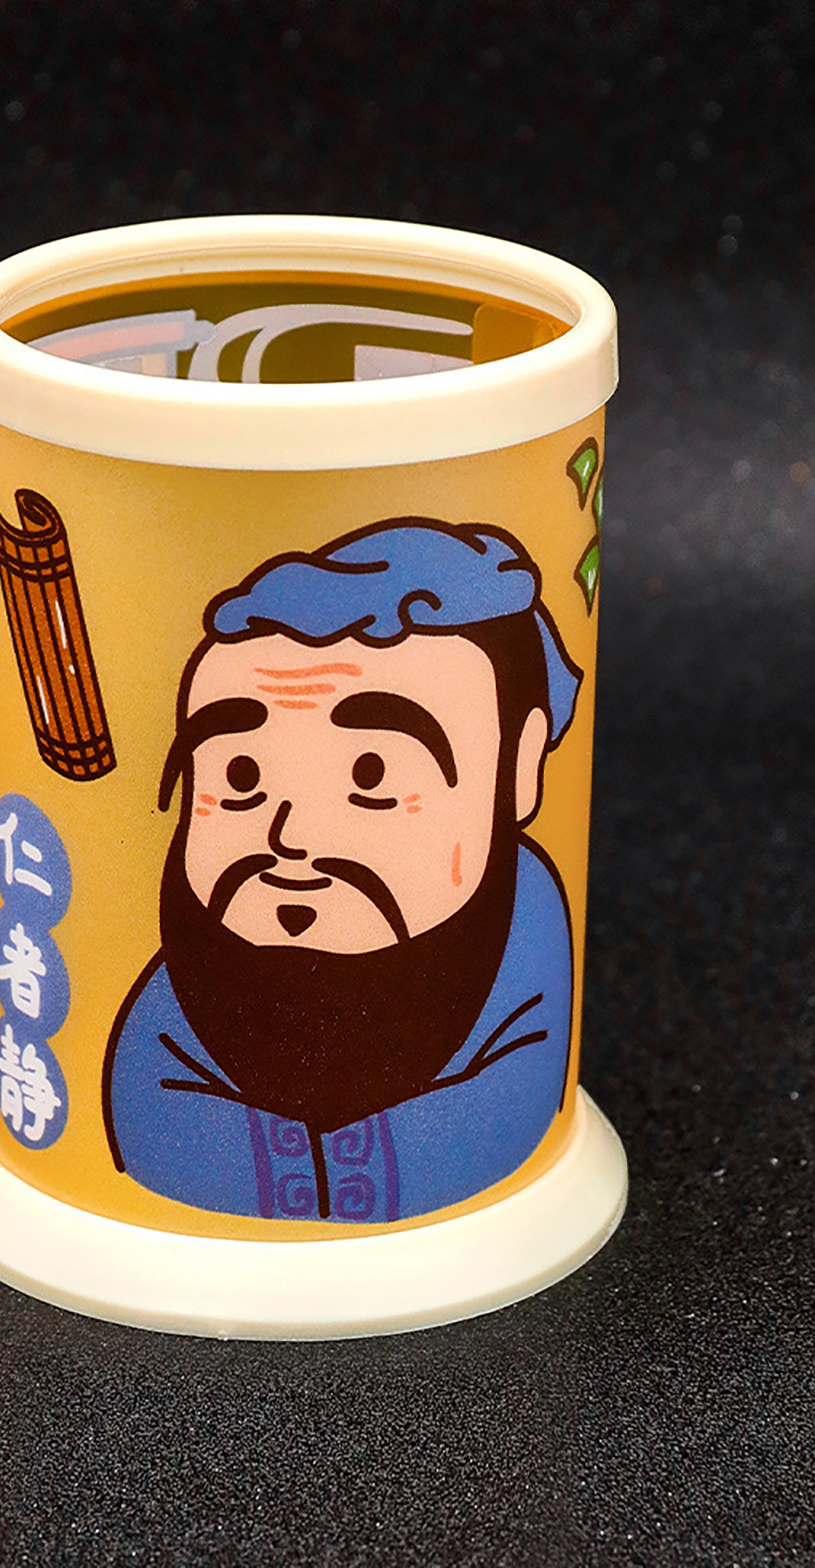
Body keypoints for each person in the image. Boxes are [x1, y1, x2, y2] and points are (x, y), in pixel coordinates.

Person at [103, 518, 582, 1223]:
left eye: (372, 774)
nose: (290, 837)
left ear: (518, 768)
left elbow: (506, 1115)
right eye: (240, 777)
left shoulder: (523, 930)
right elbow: (152, 1108)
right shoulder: (199, 971)